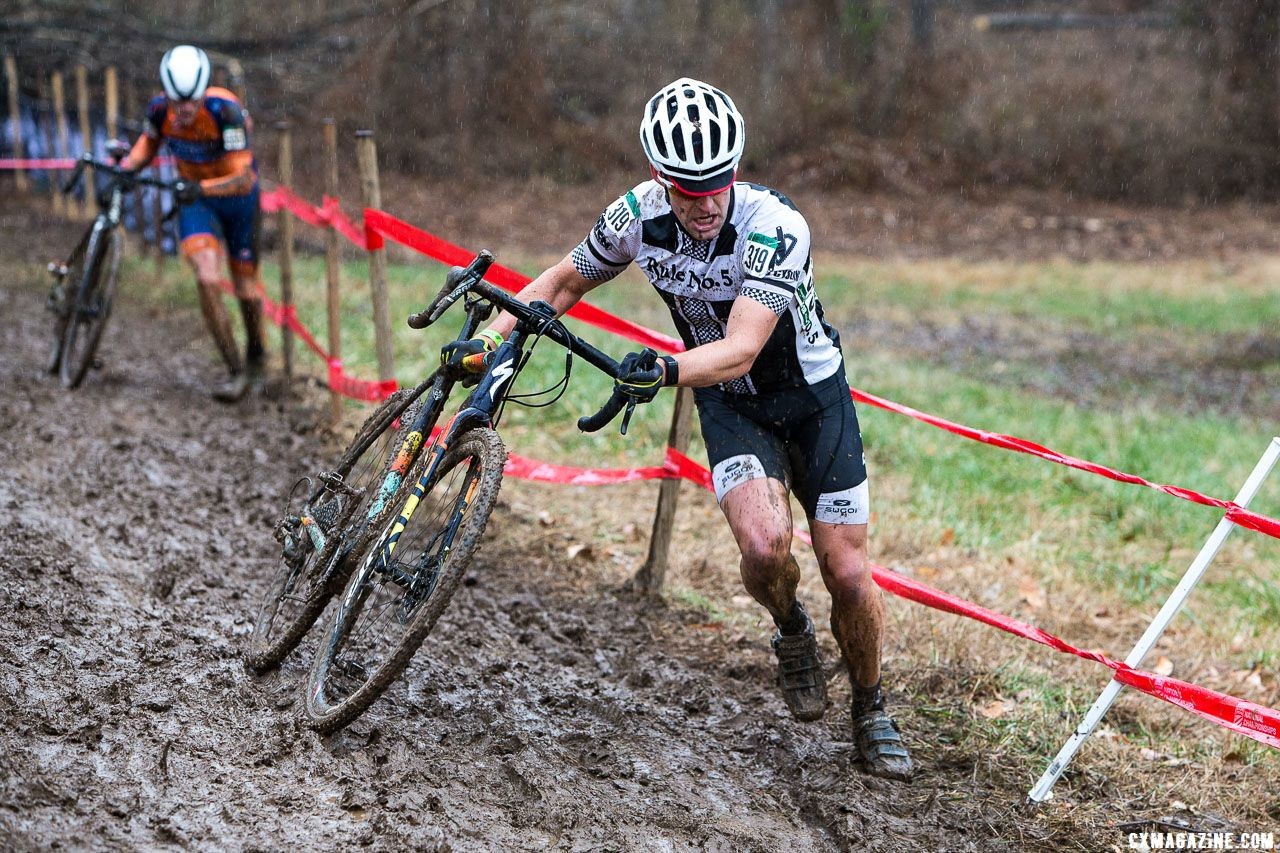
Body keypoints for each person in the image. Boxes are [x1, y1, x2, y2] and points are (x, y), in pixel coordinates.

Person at [442, 78, 912, 781]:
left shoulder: (773, 225)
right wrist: (497, 336)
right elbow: (563, 282)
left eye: (718, 181)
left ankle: (871, 705)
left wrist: (662, 371)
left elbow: (745, 346)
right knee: (763, 550)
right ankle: (790, 626)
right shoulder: (635, 215)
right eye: (688, 187)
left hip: (812, 400)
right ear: (661, 179)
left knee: (846, 571)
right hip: (728, 401)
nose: (706, 199)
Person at [119, 45, 266, 402]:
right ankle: (233, 371)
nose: (184, 109)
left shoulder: (225, 110)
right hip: (196, 202)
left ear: (202, 91)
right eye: (177, 101)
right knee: (205, 275)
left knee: (245, 285)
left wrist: (200, 186)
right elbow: (146, 145)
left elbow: (242, 178)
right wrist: (124, 170)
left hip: (237, 201)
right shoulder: (158, 111)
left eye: (191, 101)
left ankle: (256, 359)